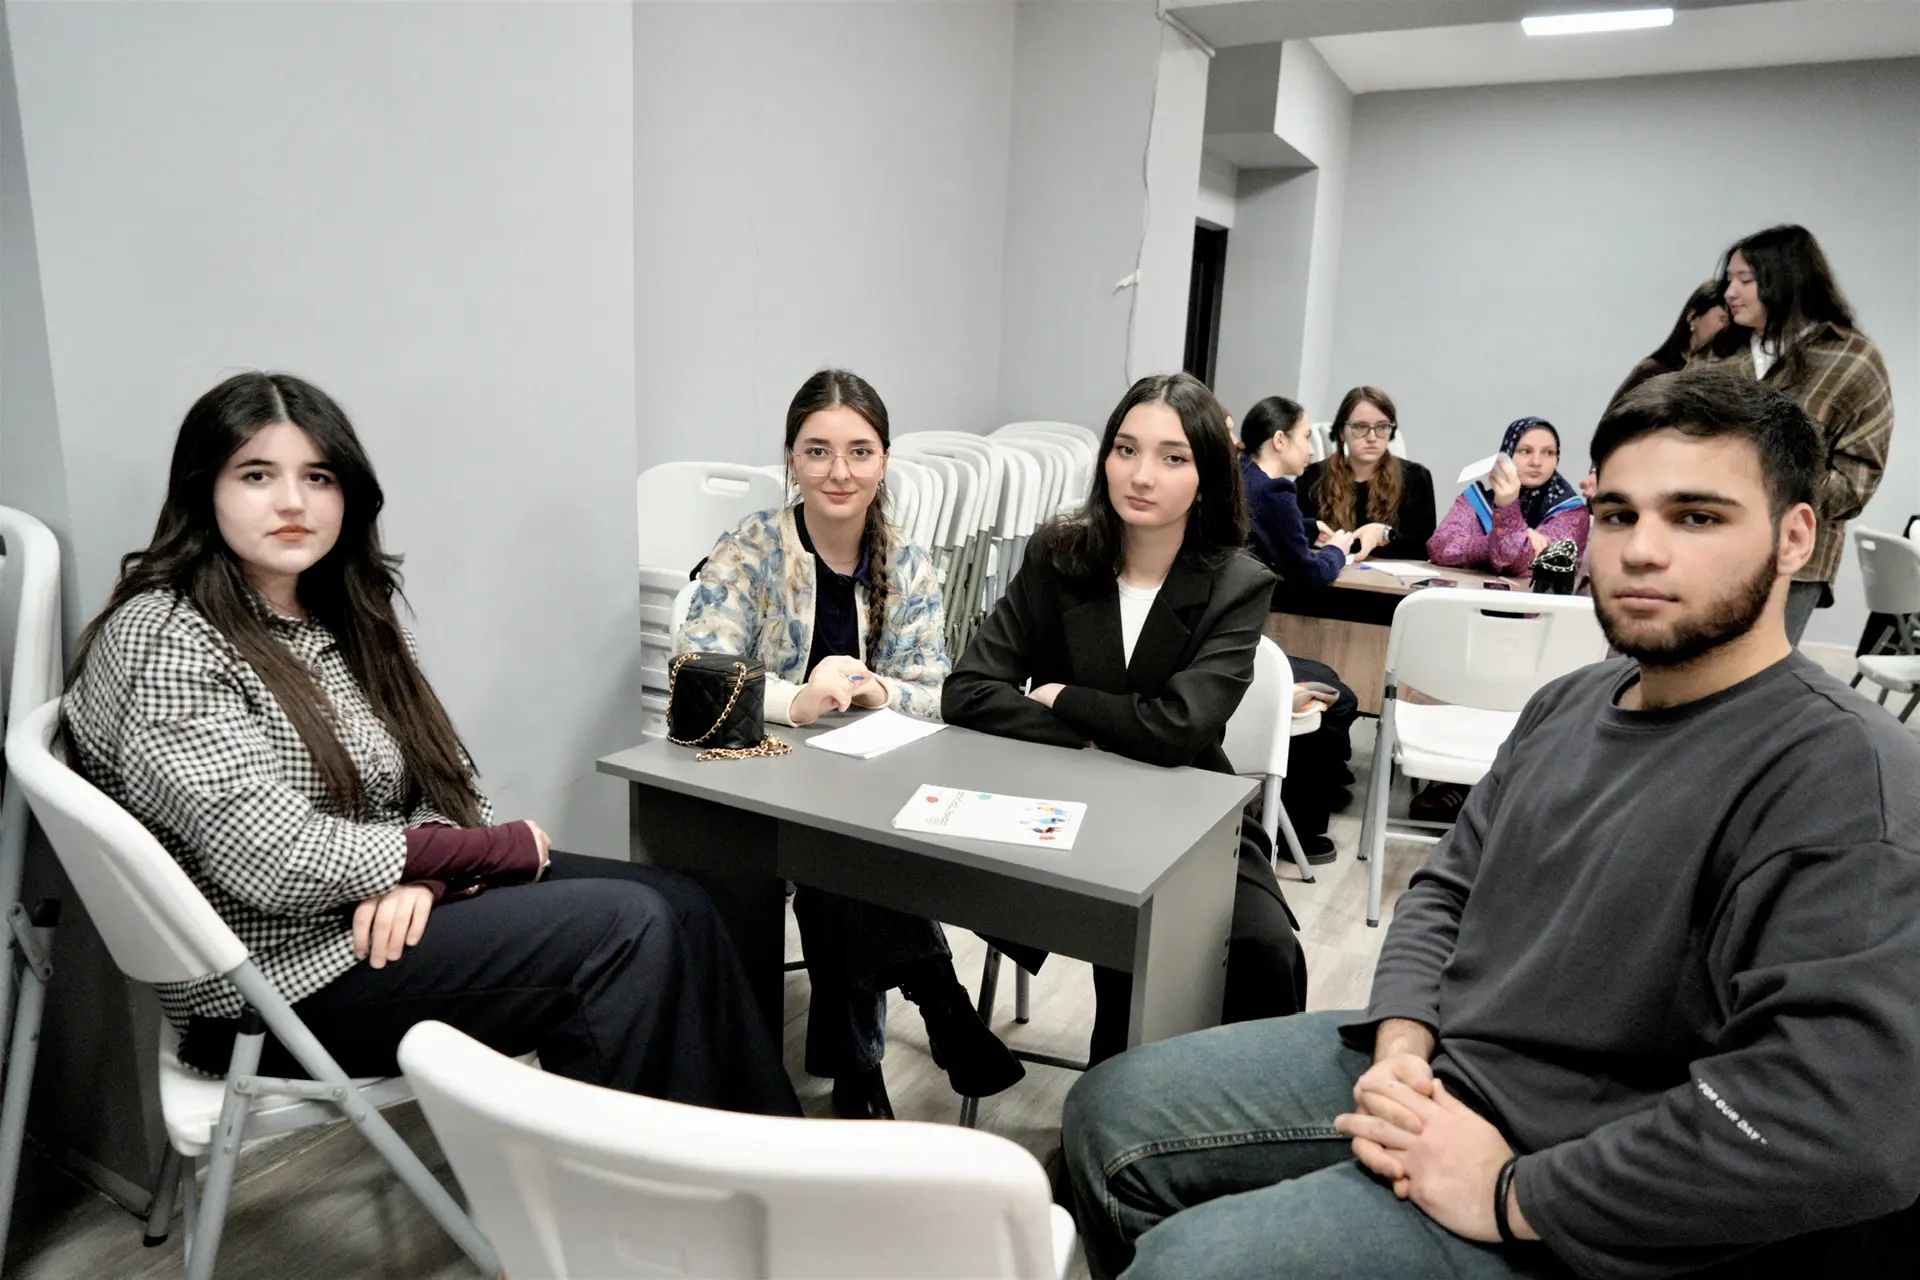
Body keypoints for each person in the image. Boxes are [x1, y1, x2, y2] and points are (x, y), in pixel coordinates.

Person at [1059, 368, 1920, 1279]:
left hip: (1576, 1162)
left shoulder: (1847, 780)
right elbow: (1445, 889)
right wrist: (1401, 1043)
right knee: (1107, 1117)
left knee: (1187, 1266)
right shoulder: (1571, 702)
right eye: (1619, 515)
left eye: (1698, 517)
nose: (1642, 551)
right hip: (1449, 1063)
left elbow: (1839, 1128)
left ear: (1795, 537)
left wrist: (1516, 1196)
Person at [62, 372, 798, 1116]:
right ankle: (641, 1185)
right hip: (274, 983)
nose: (292, 502)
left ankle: (764, 1162)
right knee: (626, 930)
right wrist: (478, 854)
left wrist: (429, 877)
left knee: (680, 901)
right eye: (257, 475)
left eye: (317, 477)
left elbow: (449, 782)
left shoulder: (344, 613)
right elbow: (271, 859)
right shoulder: (166, 636)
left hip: (375, 923)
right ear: (203, 490)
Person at [678, 368, 1021, 1120]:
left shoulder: (910, 562)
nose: (840, 472)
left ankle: (860, 1067)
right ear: (791, 459)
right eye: (818, 451)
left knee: (842, 856)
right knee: (837, 858)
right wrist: (793, 700)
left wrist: (879, 691)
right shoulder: (752, 547)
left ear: (885, 460)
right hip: (761, 778)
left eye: (860, 452)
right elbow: (698, 672)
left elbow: (937, 692)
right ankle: (934, 1000)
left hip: (875, 782)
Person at [943, 372, 1307, 1067]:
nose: (1141, 475)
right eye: (1126, 449)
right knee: (1123, 936)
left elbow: (1179, 730)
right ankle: (1118, 1103)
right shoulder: (1058, 557)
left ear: (1207, 475)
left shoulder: (1237, 585)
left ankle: (1233, 1112)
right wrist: (1091, 735)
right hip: (1064, 812)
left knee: (1263, 950)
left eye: (1173, 458)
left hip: (1188, 818)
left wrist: (1064, 698)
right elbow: (968, 691)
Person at [1706, 223, 1894, 645]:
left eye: (1745, 280)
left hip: (1793, 560)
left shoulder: (1853, 362)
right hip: (1708, 542)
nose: (1729, 293)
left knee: (1758, 674)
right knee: (1693, 666)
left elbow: (1857, 479)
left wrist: (1769, 492)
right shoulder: (1720, 354)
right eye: (1729, 280)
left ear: (1785, 281)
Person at [1236, 395, 1359, 863]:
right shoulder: (1276, 492)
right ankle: (1300, 832)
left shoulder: (1245, 479)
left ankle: (1320, 786)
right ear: (1279, 440)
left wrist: (1308, 527)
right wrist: (1340, 550)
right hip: (1246, 653)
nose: (1311, 447)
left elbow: (1271, 527)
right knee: (1338, 695)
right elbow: (1309, 575)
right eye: (1306, 436)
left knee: (1328, 677)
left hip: (1232, 641)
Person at [1428, 417, 1591, 576]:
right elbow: (1440, 547)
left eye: (1548, 453)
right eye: (1525, 451)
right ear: (1507, 454)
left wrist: (1507, 507)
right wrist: (1502, 541)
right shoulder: (1481, 497)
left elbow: (1517, 562)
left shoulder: (1572, 512)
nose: (1536, 462)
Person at [1297, 387, 1437, 565]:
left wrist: (1385, 536)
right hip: (1329, 577)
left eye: (1382, 427)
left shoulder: (1416, 478)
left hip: (1388, 581)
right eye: (1360, 427)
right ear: (1341, 432)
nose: (1372, 437)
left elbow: (1424, 550)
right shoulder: (1311, 478)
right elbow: (1292, 537)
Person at [1604, 278, 1735, 412]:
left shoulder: (1722, 379)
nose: (1726, 328)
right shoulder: (1653, 371)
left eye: (1731, 322)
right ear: (1693, 316)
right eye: (1722, 319)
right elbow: (1613, 420)